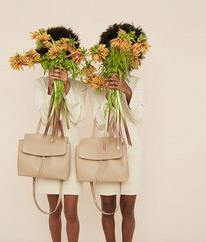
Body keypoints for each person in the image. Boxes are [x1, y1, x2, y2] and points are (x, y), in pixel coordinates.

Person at [88, 23, 145, 242]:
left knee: (128, 207)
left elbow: (138, 117)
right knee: (108, 206)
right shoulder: (96, 83)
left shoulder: (136, 82)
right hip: (106, 148)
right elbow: (101, 120)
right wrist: (107, 93)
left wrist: (127, 91)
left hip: (131, 150)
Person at [34, 26, 87, 242]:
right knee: (54, 209)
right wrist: (50, 88)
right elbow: (46, 117)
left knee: (70, 211)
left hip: (72, 149)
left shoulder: (78, 85)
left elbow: (77, 117)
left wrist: (66, 86)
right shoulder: (39, 84)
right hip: (49, 150)